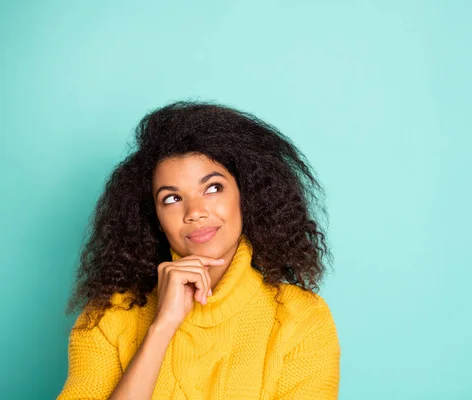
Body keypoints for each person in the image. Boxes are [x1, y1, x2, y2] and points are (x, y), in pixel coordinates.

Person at [57, 101, 340, 399]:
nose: (195, 212)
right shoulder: (108, 318)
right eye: (171, 199)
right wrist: (161, 328)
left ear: (247, 195)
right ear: (153, 216)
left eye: (213, 188)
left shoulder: (300, 318)